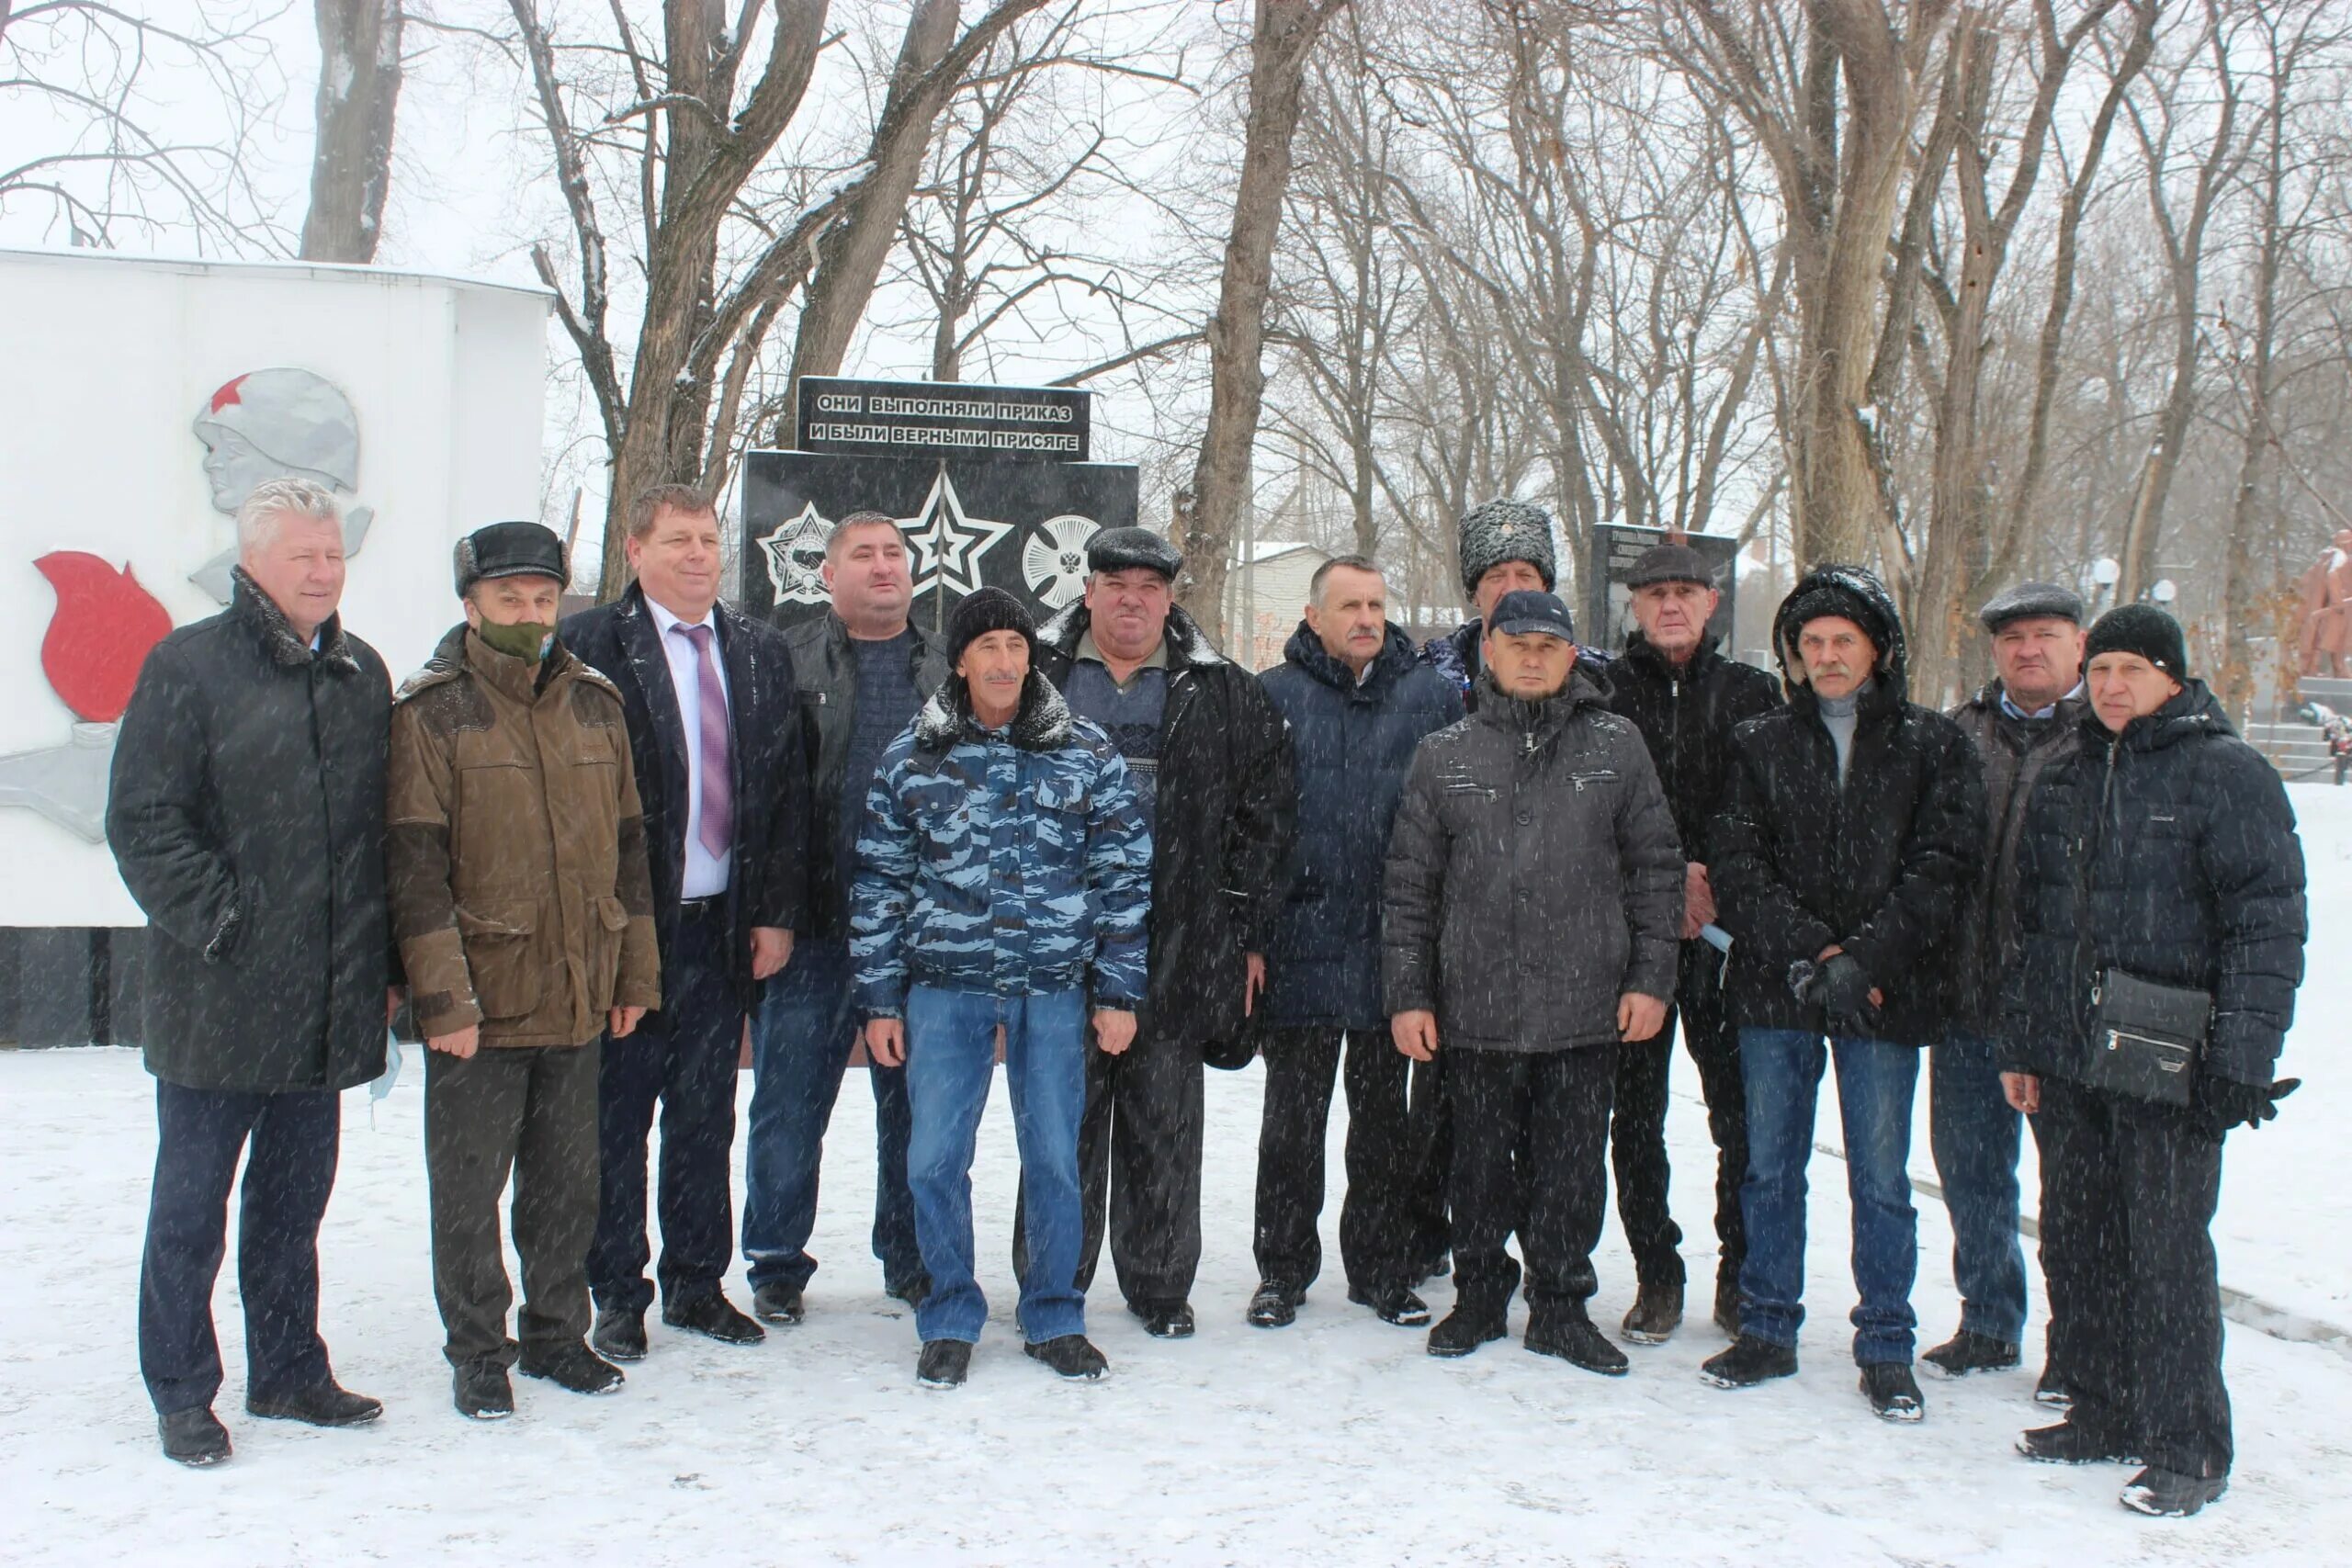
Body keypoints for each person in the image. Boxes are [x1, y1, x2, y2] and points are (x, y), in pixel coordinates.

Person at [107, 478, 392, 1467]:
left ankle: (289, 1371)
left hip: (323, 1003)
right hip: (218, 998)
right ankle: (183, 1390)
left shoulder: (361, 674)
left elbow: (373, 841)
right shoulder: (188, 667)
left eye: (332, 555)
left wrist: (378, 963)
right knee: (190, 1211)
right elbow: (144, 821)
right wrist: (227, 923)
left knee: (292, 1207)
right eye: (302, 556)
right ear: (254, 563)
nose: (322, 571)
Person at [2001, 604, 2305, 1518]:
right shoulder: (2061, 771)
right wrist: (2023, 1044)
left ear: (2173, 676)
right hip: (2070, 1052)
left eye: (2130, 669)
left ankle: (2187, 1444)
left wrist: (2242, 1059)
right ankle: (2101, 1409)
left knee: (2167, 1256)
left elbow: (2267, 927)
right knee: (2077, 1238)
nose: (2109, 688)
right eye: (2097, 671)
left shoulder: (2227, 774)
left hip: (2173, 1051)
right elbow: (2030, 924)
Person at [387, 523, 663, 1419]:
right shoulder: (434, 711)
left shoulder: (594, 703)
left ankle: (555, 1334)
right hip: (481, 1002)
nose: (529, 614)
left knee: (567, 1186)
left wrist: (633, 978)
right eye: (509, 598)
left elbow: (629, 854)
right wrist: (442, 997)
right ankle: (478, 1350)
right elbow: (415, 870)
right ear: (470, 605)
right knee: (469, 1193)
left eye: (543, 598)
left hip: (579, 992)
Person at [1702, 565, 1985, 1423]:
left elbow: (1942, 867)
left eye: (1843, 641)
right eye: (1812, 643)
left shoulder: (1933, 746)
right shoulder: (1757, 742)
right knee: (1771, 1170)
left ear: (1878, 650)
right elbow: (1737, 864)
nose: (1826, 656)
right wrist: (1811, 948)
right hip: (1776, 987)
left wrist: (1863, 959)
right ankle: (1767, 1326)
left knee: (1881, 1176)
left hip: (1881, 994)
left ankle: (1887, 1341)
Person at [852, 590, 1153, 1388]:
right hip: (944, 989)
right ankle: (950, 1311)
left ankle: (1054, 1311)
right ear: (960, 660)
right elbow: (879, 881)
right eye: (987, 646)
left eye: (1016, 646)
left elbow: (1124, 873)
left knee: (1055, 1157)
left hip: (1052, 987)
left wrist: (1119, 990)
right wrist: (881, 998)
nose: (1004, 661)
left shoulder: (1084, 750)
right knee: (932, 1161)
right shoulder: (913, 754)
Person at [1385, 591, 1683, 1373]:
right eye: (1515, 643)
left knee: (1571, 1169)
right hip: (1474, 1007)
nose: (1530, 657)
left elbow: (1656, 873)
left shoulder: (1617, 746)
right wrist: (1410, 994)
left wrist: (1651, 978)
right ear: (1489, 648)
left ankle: (1560, 1304)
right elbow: (1411, 887)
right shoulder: (1445, 753)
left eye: (1548, 646)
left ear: (1571, 655)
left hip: (1585, 1008)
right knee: (1476, 1164)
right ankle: (1481, 1292)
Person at [1024, 525, 1296, 1339]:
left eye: (1149, 585)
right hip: (1061, 939)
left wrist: (1243, 927)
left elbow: (1267, 813)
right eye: (1116, 584)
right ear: (1089, 592)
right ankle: (1053, 1279)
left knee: (1164, 1125)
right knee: (1061, 1122)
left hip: (1177, 940)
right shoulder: (1034, 679)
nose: (1132, 599)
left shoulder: (1220, 690)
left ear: (1170, 598)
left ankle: (1159, 1285)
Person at [562, 484, 810, 1360]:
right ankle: (617, 1291)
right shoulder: (588, 647)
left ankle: (697, 1284)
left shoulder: (758, 651)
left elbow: (781, 796)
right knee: (615, 1117)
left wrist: (775, 914)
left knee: (706, 1115)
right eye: (677, 540)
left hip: (722, 927)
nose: (698, 554)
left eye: (709, 538)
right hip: (628, 928)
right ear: (636, 551)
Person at [1250, 556, 1463, 1331]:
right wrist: (1254, 933)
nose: (1366, 617)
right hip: (1301, 938)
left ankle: (1380, 1267)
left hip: (1391, 945)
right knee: (1292, 1125)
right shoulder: (1272, 699)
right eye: (1349, 605)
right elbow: (1252, 827)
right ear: (1314, 617)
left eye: (1375, 603)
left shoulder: (1431, 699)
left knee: (1383, 1128)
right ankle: (1281, 1271)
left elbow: (1449, 825)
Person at [743, 512, 944, 1325]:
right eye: (862, 555)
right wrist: (773, 910)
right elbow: (768, 800)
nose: (883, 566)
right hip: (816, 930)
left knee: (918, 1110)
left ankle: (909, 1254)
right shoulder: (785, 663)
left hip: (921, 932)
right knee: (790, 1105)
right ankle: (777, 1260)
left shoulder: (948, 666)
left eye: (895, 552)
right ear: (828, 575)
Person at [1599, 540, 1781, 1344]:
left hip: (1727, 939)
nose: (1670, 605)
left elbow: (1774, 812)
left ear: (1712, 604)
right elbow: (1589, 810)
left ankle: (1740, 1274)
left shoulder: (1755, 694)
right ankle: (1656, 1273)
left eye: (1686, 592)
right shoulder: (1600, 692)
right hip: (1631, 937)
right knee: (1633, 1120)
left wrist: (1713, 880)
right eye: (1655, 593)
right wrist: (1663, 880)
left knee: (1737, 1119)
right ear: (1634, 606)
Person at [1928, 582, 2086, 1386]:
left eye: (2046, 634)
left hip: (2064, 1011)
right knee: (1970, 1175)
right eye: (2014, 637)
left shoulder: (2107, 735)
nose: (2029, 649)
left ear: (2079, 643)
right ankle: (1989, 1319)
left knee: (2072, 1193)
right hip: (1966, 1000)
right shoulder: (1962, 733)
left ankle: (2076, 1346)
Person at [1419, 498, 1564, 708]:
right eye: (1496, 576)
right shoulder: (1428, 679)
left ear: (1545, 587)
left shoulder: (1592, 679)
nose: (1512, 589)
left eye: (1525, 575)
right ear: (1474, 593)